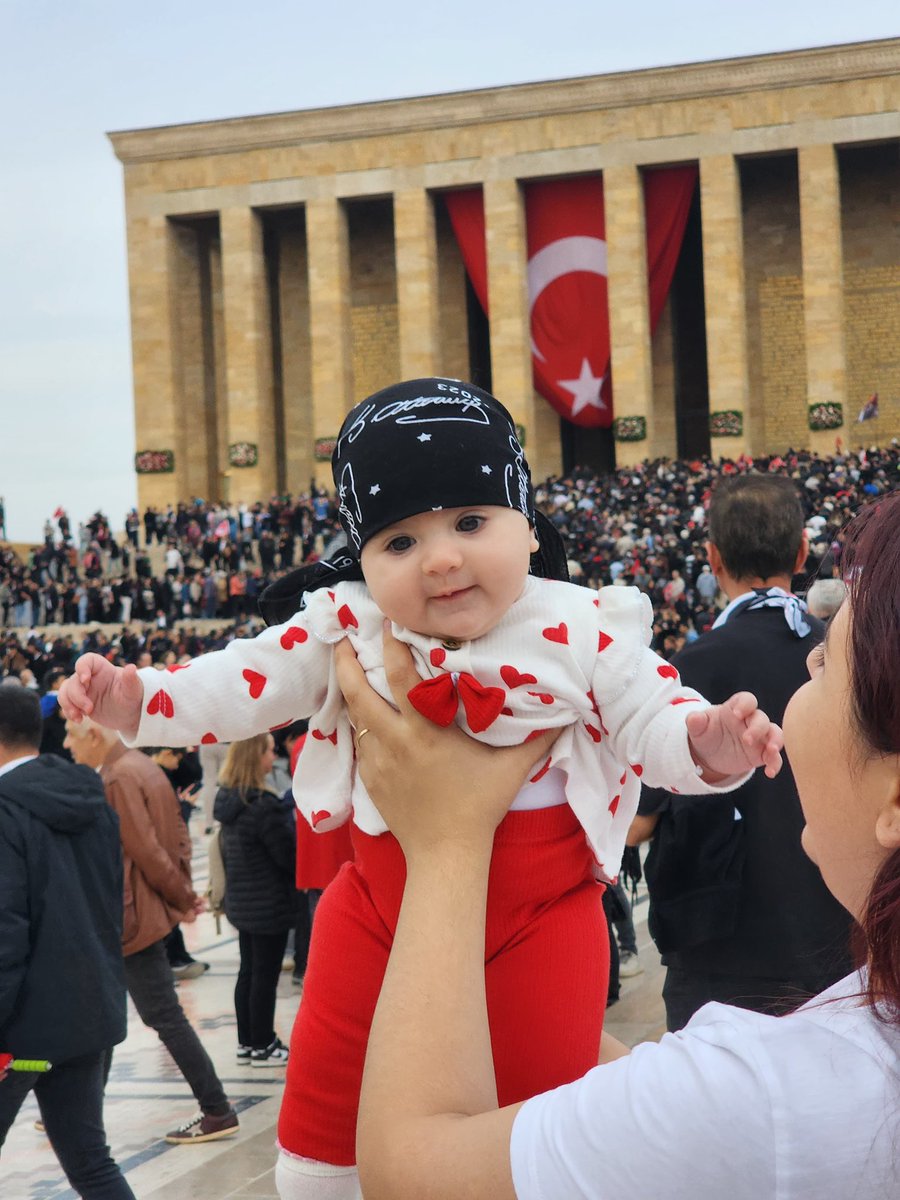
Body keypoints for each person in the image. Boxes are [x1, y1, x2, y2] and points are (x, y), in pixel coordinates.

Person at [59, 378, 781, 1198]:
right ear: (363, 558)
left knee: (544, 1113)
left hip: (544, 911)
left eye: (471, 523)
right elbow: (241, 683)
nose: (440, 559)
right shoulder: (348, 621)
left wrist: (709, 742)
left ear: (525, 524)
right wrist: (135, 700)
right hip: (380, 901)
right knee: (329, 1098)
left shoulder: (583, 623)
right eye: (399, 542)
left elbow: (653, 717)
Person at [338, 488, 900, 1200]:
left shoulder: (771, 1096)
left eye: (821, 666)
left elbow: (412, 1172)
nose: (799, 678)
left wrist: (448, 842)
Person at [631, 475, 852, 1030]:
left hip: (721, 956)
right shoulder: (844, 659)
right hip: (839, 943)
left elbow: (635, 824)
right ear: (802, 553)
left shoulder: (683, 670)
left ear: (712, 557)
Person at [62, 717, 239, 1145]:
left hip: (132, 916)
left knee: (162, 1016)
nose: (67, 744)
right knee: (104, 1011)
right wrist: (180, 892)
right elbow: (178, 837)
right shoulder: (143, 766)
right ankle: (75, 1112)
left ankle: (216, 1109)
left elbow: (144, 848)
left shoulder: (118, 777)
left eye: (71, 733)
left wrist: (181, 897)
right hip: (141, 911)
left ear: (94, 733)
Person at [0, 688, 135, 1199]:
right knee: (90, 1162)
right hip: (86, 1014)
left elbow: (5, 931)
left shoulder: (6, 810)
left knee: (89, 1159)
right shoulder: (88, 794)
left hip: (22, 1038)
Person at [213, 734, 296, 1066]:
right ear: (254, 757)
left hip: (243, 901)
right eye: (269, 751)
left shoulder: (230, 801)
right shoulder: (264, 807)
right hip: (269, 903)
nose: (272, 757)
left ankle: (246, 1041)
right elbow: (286, 856)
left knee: (248, 972)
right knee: (265, 974)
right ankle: (263, 1042)